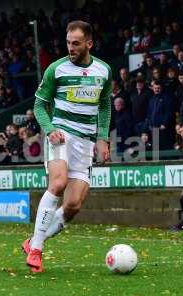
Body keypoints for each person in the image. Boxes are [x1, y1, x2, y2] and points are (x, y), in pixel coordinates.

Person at [22, 21, 111, 273]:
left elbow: (104, 106)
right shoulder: (56, 69)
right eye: (68, 42)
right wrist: (50, 129)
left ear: (88, 44)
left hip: (85, 143)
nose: (70, 48)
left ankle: (32, 242)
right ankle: (37, 250)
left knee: (73, 206)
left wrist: (102, 138)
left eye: (76, 43)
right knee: (58, 183)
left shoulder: (103, 70)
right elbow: (39, 105)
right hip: (61, 136)